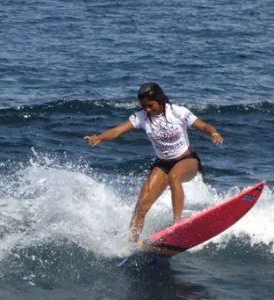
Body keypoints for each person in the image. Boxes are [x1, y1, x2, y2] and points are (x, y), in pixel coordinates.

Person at [84, 82, 224, 243]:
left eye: (151, 105)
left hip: (187, 160)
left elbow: (203, 125)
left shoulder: (178, 112)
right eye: (144, 107)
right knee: (141, 207)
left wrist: (214, 133)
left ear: (160, 100)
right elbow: (118, 130)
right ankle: (131, 243)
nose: (148, 110)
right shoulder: (141, 117)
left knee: (175, 176)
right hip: (162, 164)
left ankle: (177, 224)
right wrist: (99, 138)